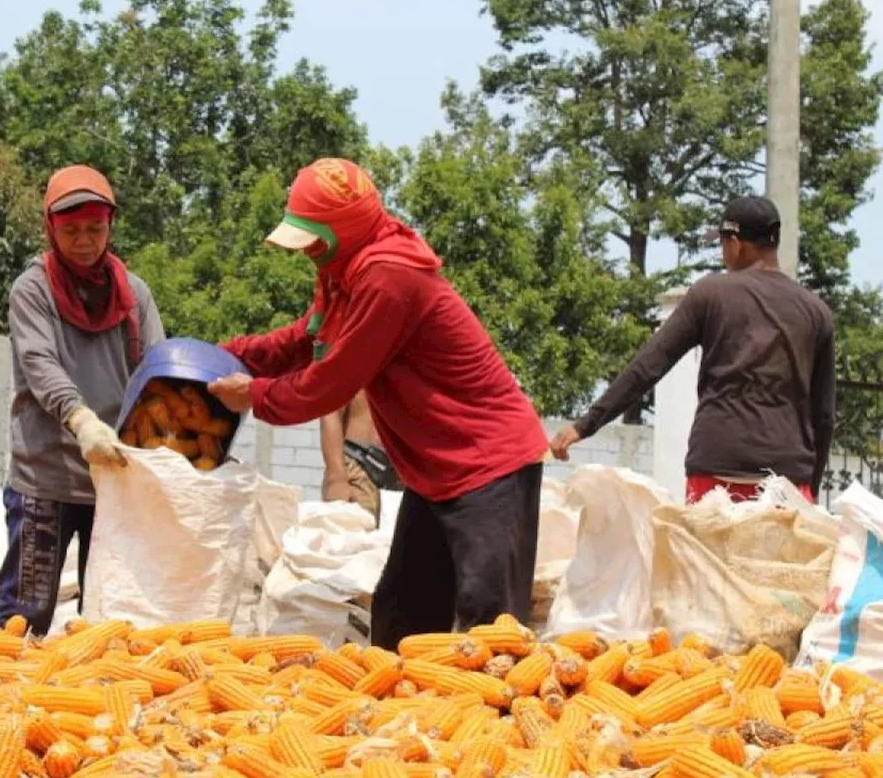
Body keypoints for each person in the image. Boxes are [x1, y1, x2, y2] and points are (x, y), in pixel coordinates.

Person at [209, 157, 549, 650]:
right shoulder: (342, 272)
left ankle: (499, 722)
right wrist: (230, 353)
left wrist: (253, 395)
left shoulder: (389, 278)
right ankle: (405, 722)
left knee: (488, 623)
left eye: (312, 239)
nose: (305, 251)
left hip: (486, 465)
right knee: (401, 616)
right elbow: (303, 341)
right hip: (434, 472)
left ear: (342, 230)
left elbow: (330, 381)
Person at [550, 195, 836, 504]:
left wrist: (586, 425)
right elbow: (824, 416)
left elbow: (648, 366)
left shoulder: (710, 294)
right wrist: (811, 489)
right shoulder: (816, 312)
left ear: (737, 243)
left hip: (717, 472)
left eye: (723, 243)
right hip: (788, 479)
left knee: (707, 555)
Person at [0, 164, 165, 636]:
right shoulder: (33, 289)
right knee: (24, 616)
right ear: (51, 229)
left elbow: (153, 372)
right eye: (71, 231)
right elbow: (40, 364)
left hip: (113, 477)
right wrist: (81, 420)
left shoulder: (135, 295)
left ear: (110, 227)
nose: (84, 240)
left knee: (104, 621)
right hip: (45, 477)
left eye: (95, 229)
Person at [320, 391, 399, 524]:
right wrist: (336, 479)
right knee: (352, 540)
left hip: (404, 474)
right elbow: (330, 410)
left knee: (402, 543)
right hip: (358, 467)